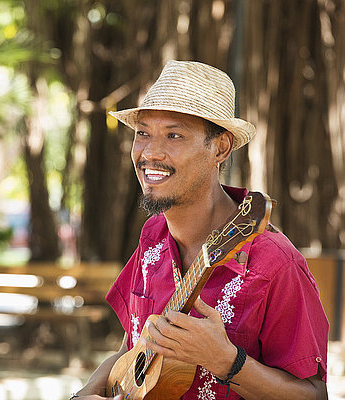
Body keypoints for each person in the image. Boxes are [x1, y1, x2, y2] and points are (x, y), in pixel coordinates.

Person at [71, 61, 328, 400]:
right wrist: (85, 393)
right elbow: (129, 351)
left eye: (174, 135)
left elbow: (315, 395)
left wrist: (227, 361)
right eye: (143, 133)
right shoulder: (153, 237)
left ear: (220, 149)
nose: (150, 152)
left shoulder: (275, 265)